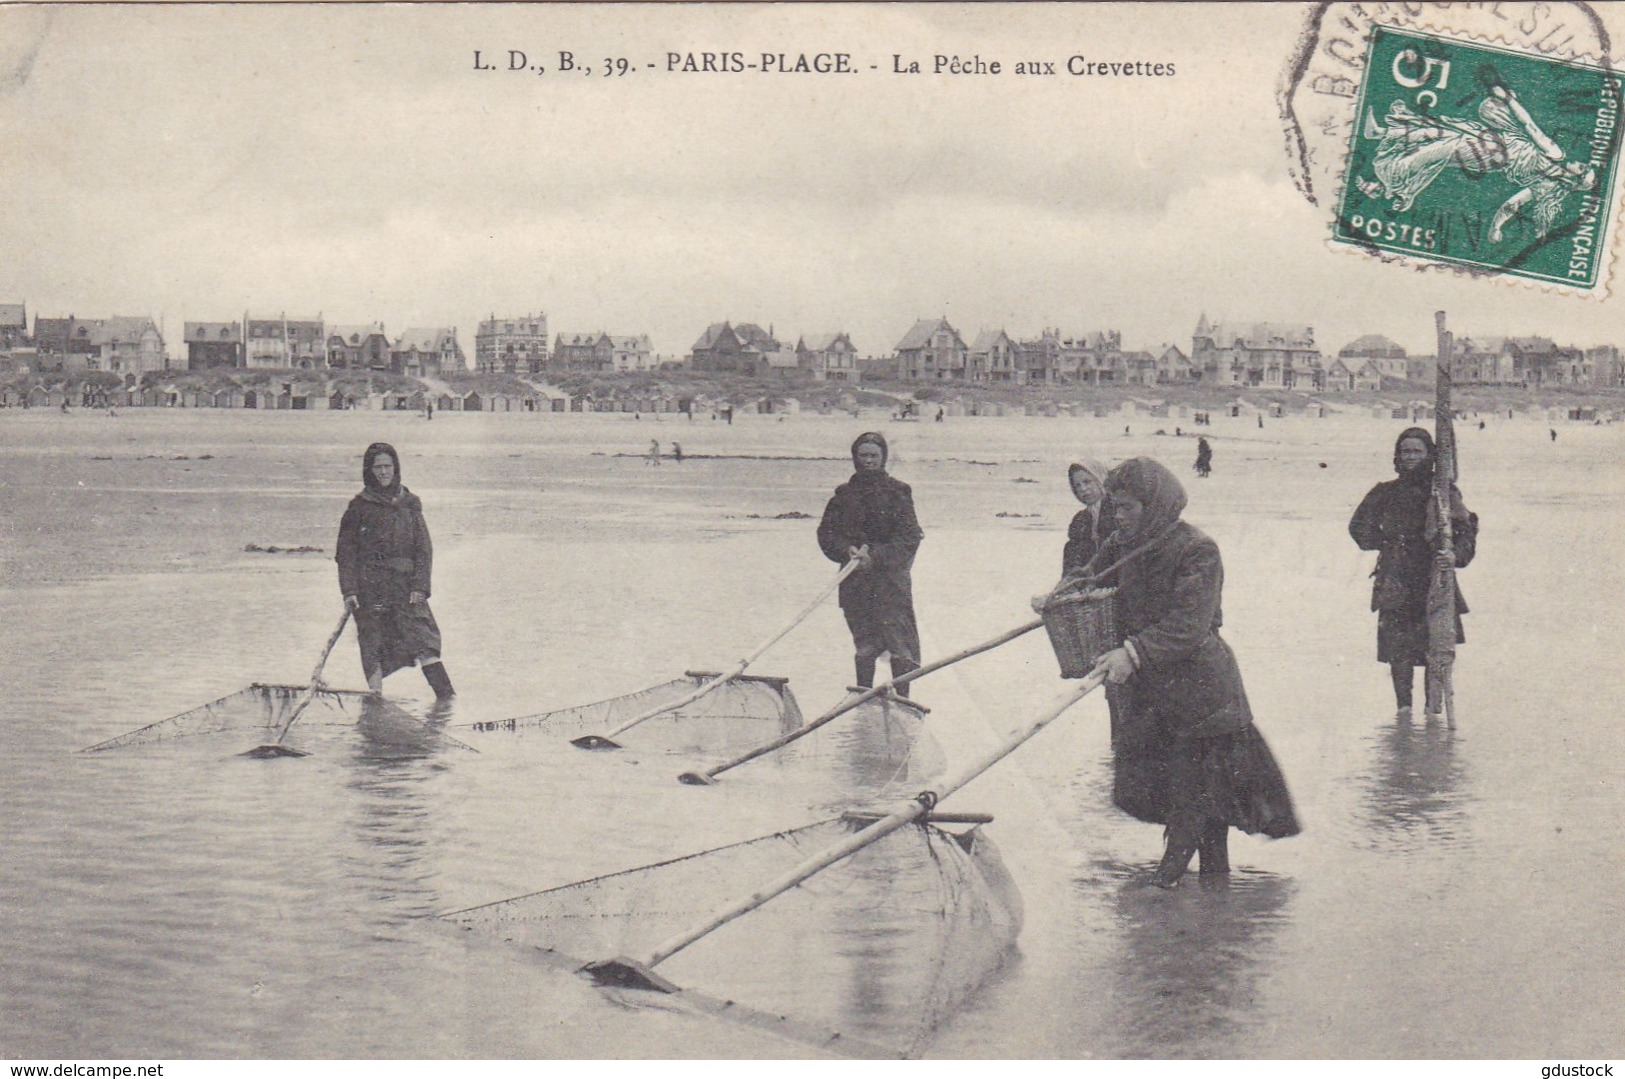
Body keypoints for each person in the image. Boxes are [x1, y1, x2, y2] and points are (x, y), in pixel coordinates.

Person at [1089, 457, 1300, 888]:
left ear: (1155, 504)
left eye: (1128, 507)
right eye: (1115, 507)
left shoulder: (1196, 549)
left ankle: (1168, 882)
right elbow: (1091, 581)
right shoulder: (1120, 545)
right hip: (1152, 689)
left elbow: (1189, 624)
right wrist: (1059, 595)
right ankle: (1213, 889)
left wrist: (1133, 651)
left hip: (1200, 691)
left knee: (1195, 787)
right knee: (1188, 791)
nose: (1119, 515)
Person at [1349, 428, 1477, 720]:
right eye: (1405, 452)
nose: (1410, 458)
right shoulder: (1386, 491)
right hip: (1396, 580)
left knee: (1436, 648)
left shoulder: (1443, 492)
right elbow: (1358, 528)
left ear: (1430, 455)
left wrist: (1453, 555)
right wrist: (1387, 544)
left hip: (1433, 580)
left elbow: (1466, 533)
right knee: (1400, 652)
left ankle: (1433, 711)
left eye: (1417, 452)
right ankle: (1403, 712)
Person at [336, 442, 453, 699]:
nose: (383, 472)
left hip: (405, 588)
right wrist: (349, 591)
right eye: (377, 467)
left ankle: (447, 704)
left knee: (425, 641)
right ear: (369, 471)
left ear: (396, 468)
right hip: (370, 590)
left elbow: (424, 550)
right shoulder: (358, 508)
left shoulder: (409, 505)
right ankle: (377, 707)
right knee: (373, 646)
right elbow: (345, 555)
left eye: (388, 466)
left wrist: (420, 587)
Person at [817, 432, 923, 696]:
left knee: (900, 647)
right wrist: (847, 550)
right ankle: (863, 699)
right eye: (863, 456)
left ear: (883, 458)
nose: (868, 461)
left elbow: (909, 537)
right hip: (855, 582)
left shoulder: (899, 493)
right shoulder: (843, 496)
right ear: (855, 458)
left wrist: (874, 556)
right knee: (864, 645)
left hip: (890, 584)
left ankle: (903, 702)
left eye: (873, 456)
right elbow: (827, 534)